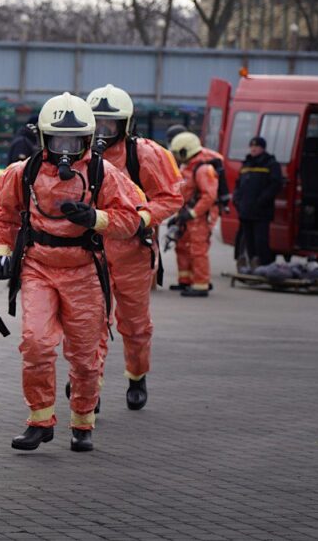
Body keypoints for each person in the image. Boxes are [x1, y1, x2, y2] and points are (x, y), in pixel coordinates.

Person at [0, 93, 141, 453]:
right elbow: (5, 217)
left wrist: (95, 219)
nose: (65, 150)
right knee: (37, 344)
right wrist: (2, 253)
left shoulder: (104, 174)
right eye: (57, 141)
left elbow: (132, 217)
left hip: (84, 269)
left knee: (85, 355)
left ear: (86, 140)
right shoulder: (22, 173)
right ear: (44, 138)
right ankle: (40, 420)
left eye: (73, 142)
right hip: (39, 267)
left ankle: (82, 421)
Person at [85, 84, 183, 410]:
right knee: (89, 322)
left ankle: (137, 375)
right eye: (96, 122)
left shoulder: (144, 154)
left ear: (125, 125)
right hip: (89, 253)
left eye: (109, 124)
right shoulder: (76, 155)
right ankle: (89, 384)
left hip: (132, 253)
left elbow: (170, 197)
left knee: (135, 325)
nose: (102, 131)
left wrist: (143, 218)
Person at [169, 132, 219, 297]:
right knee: (182, 246)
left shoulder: (203, 168)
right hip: (187, 214)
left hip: (199, 217)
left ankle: (200, 284)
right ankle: (185, 280)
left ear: (186, 151)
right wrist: (178, 216)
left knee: (198, 250)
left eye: (178, 153)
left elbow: (209, 196)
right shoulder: (188, 167)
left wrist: (192, 213)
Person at [233, 136, 283, 272]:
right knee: (249, 242)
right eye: (252, 146)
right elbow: (239, 184)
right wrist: (237, 199)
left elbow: (276, 184)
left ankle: (265, 266)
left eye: (257, 147)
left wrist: (261, 200)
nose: (253, 149)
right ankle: (253, 265)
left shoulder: (270, 164)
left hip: (261, 211)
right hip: (246, 211)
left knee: (261, 241)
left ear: (263, 148)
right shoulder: (247, 164)